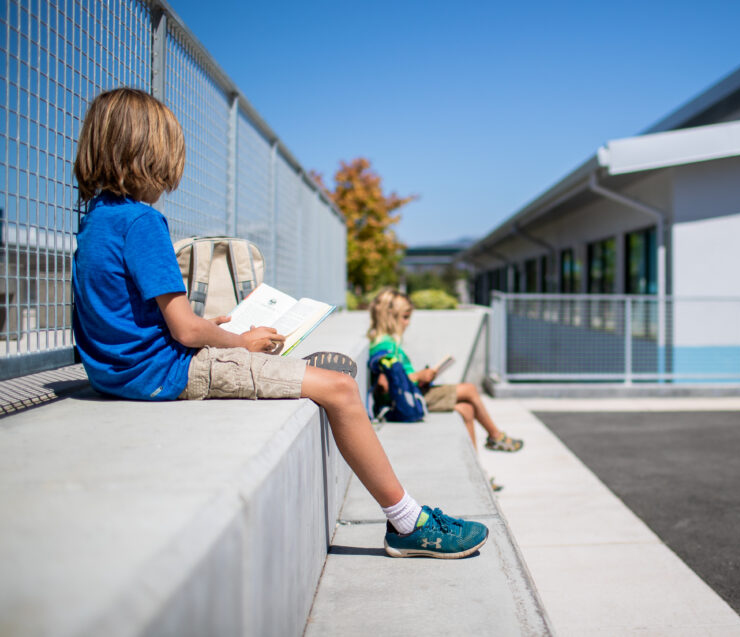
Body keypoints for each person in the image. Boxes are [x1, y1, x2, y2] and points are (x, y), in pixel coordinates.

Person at [71, 87, 485, 559]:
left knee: (312, 370)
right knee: (341, 388)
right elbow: (185, 331)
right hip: (163, 373)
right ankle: (407, 523)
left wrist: (213, 330)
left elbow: (132, 314)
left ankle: (298, 369)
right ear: (150, 154)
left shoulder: (96, 220)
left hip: (117, 373)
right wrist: (237, 340)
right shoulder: (142, 222)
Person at [367, 288, 523, 452]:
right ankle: (495, 436)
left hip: (412, 394)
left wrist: (422, 377)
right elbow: (385, 385)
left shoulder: (383, 342)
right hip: (408, 399)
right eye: (405, 317)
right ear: (390, 317)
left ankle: (476, 461)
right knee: (469, 390)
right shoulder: (386, 346)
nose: (407, 323)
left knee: (467, 409)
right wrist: (419, 376)